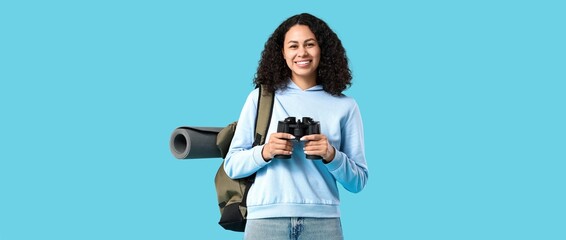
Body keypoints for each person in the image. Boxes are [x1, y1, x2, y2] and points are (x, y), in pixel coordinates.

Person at [224, 13, 368, 240]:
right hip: (265, 219)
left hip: (323, 222)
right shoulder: (260, 99)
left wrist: (331, 155)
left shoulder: (345, 106)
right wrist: (266, 151)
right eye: (293, 46)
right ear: (282, 53)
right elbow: (231, 165)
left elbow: (358, 181)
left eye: (310, 44)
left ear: (322, 50)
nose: (302, 53)